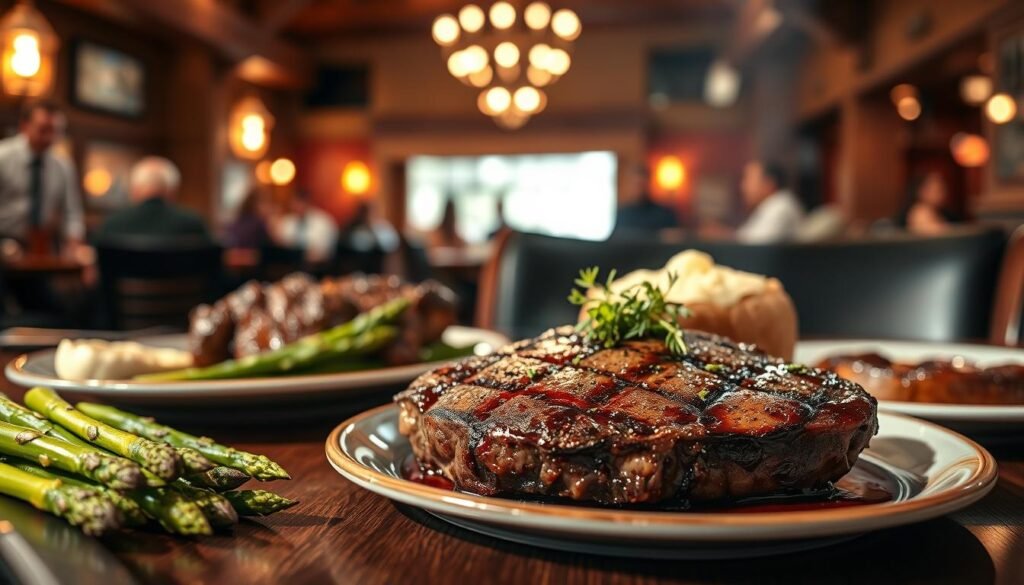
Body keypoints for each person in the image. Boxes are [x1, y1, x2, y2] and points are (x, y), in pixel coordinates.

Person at [0, 100, 84, 254]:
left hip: (42, 248)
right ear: (24, 126)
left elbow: (72, 213)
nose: (50, 137)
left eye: (56, 130)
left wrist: (74, 241)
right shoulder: (3, 157)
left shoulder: (63, 167)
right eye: (44, 129)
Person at [94, 157, 210, 243]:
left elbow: (97, 273)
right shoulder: (193, 224)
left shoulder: (112, 225)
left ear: (135, 190)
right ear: (172, 191)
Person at [735, 160, 804, 243]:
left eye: (748, 179)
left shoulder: (781, 206)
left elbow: (753, 245)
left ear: (769, 184)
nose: (743, 186)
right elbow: (741, 237)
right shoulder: (769, 205)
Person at [271, 190, 338, 262]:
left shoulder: (323, 222)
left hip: (318, 267)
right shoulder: (287, 221)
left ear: (308, 203)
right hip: (291, 264)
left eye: (299, 203)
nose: (296, 207)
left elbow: (324, 252)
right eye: (294, 204)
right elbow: (281, 247)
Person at [612, 164, 678, 235]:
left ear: (647, 184)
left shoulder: (663, 215)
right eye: (635, 184)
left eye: (641, 184)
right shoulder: (621, 215)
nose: (638, 188)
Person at [896, 171, 963, 236]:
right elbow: (939, 237)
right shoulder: (920, 213)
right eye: (937, 190)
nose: (942, 193)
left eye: (942, 189)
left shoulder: (941, 212)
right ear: (922, 191)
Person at [224, 184, 271, 248]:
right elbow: (271, 249)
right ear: (255, 204)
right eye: (266, 203)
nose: (268, 208)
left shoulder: (237, 221)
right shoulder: (258, 224)